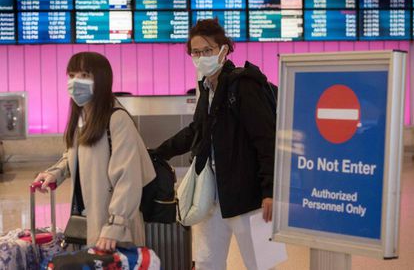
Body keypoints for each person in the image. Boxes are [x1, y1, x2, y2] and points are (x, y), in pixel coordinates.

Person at [152, 19, 275, 270]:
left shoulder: (244, 85)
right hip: (212, 195)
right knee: (208, 262)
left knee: (261, 264)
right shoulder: (207, 88)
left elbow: (266, 139)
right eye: (195, 52)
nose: (201, 57)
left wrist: (270, 191)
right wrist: (156, 153)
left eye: (207, 50)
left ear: (224, 49)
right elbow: (196, 131)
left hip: (248, 196)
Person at [33, 52, 156, 251]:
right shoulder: (82, 117)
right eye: (71, 75)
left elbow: (128, 178)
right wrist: (55, 173)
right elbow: (75, 154)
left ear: (101, 79)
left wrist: (115, 225)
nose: (75, 82)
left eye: (84, 75)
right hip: (89, 218)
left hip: (114, 228)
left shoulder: (117, 119)